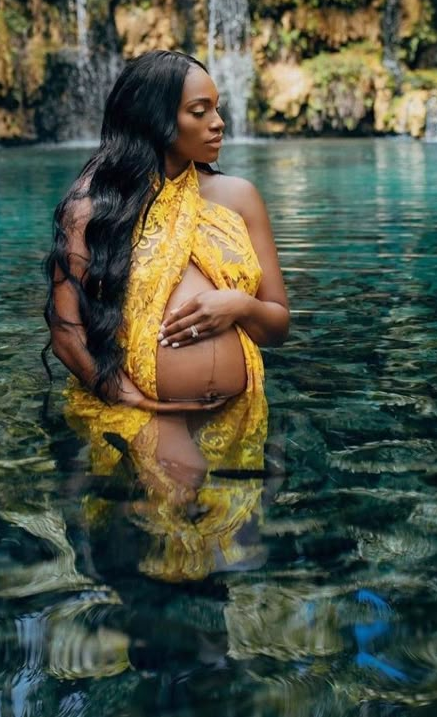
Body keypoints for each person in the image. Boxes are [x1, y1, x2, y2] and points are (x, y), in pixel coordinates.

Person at [43, 50, 289, 576]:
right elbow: (66, 333)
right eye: (198, 111)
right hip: (143, 407)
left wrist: (238, 305)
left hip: (238, 405)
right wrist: (118, 392)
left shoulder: (239, 197)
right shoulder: (93, 208)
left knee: (243, 550)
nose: (218, 123)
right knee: (175, 514)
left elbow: (277, 326)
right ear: (155, 118)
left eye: (217, 108)